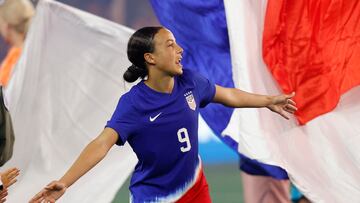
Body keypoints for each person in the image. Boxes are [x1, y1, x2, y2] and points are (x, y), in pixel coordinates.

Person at [30, 26, 297, 203]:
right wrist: (65, 182)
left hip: (195, 186)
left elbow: (227, 94)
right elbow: (102, 144)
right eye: (170, 45)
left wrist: (267, 100)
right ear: (151, 58)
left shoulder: (191, 82)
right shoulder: (133, 103)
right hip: (155, 198)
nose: (179, 50)